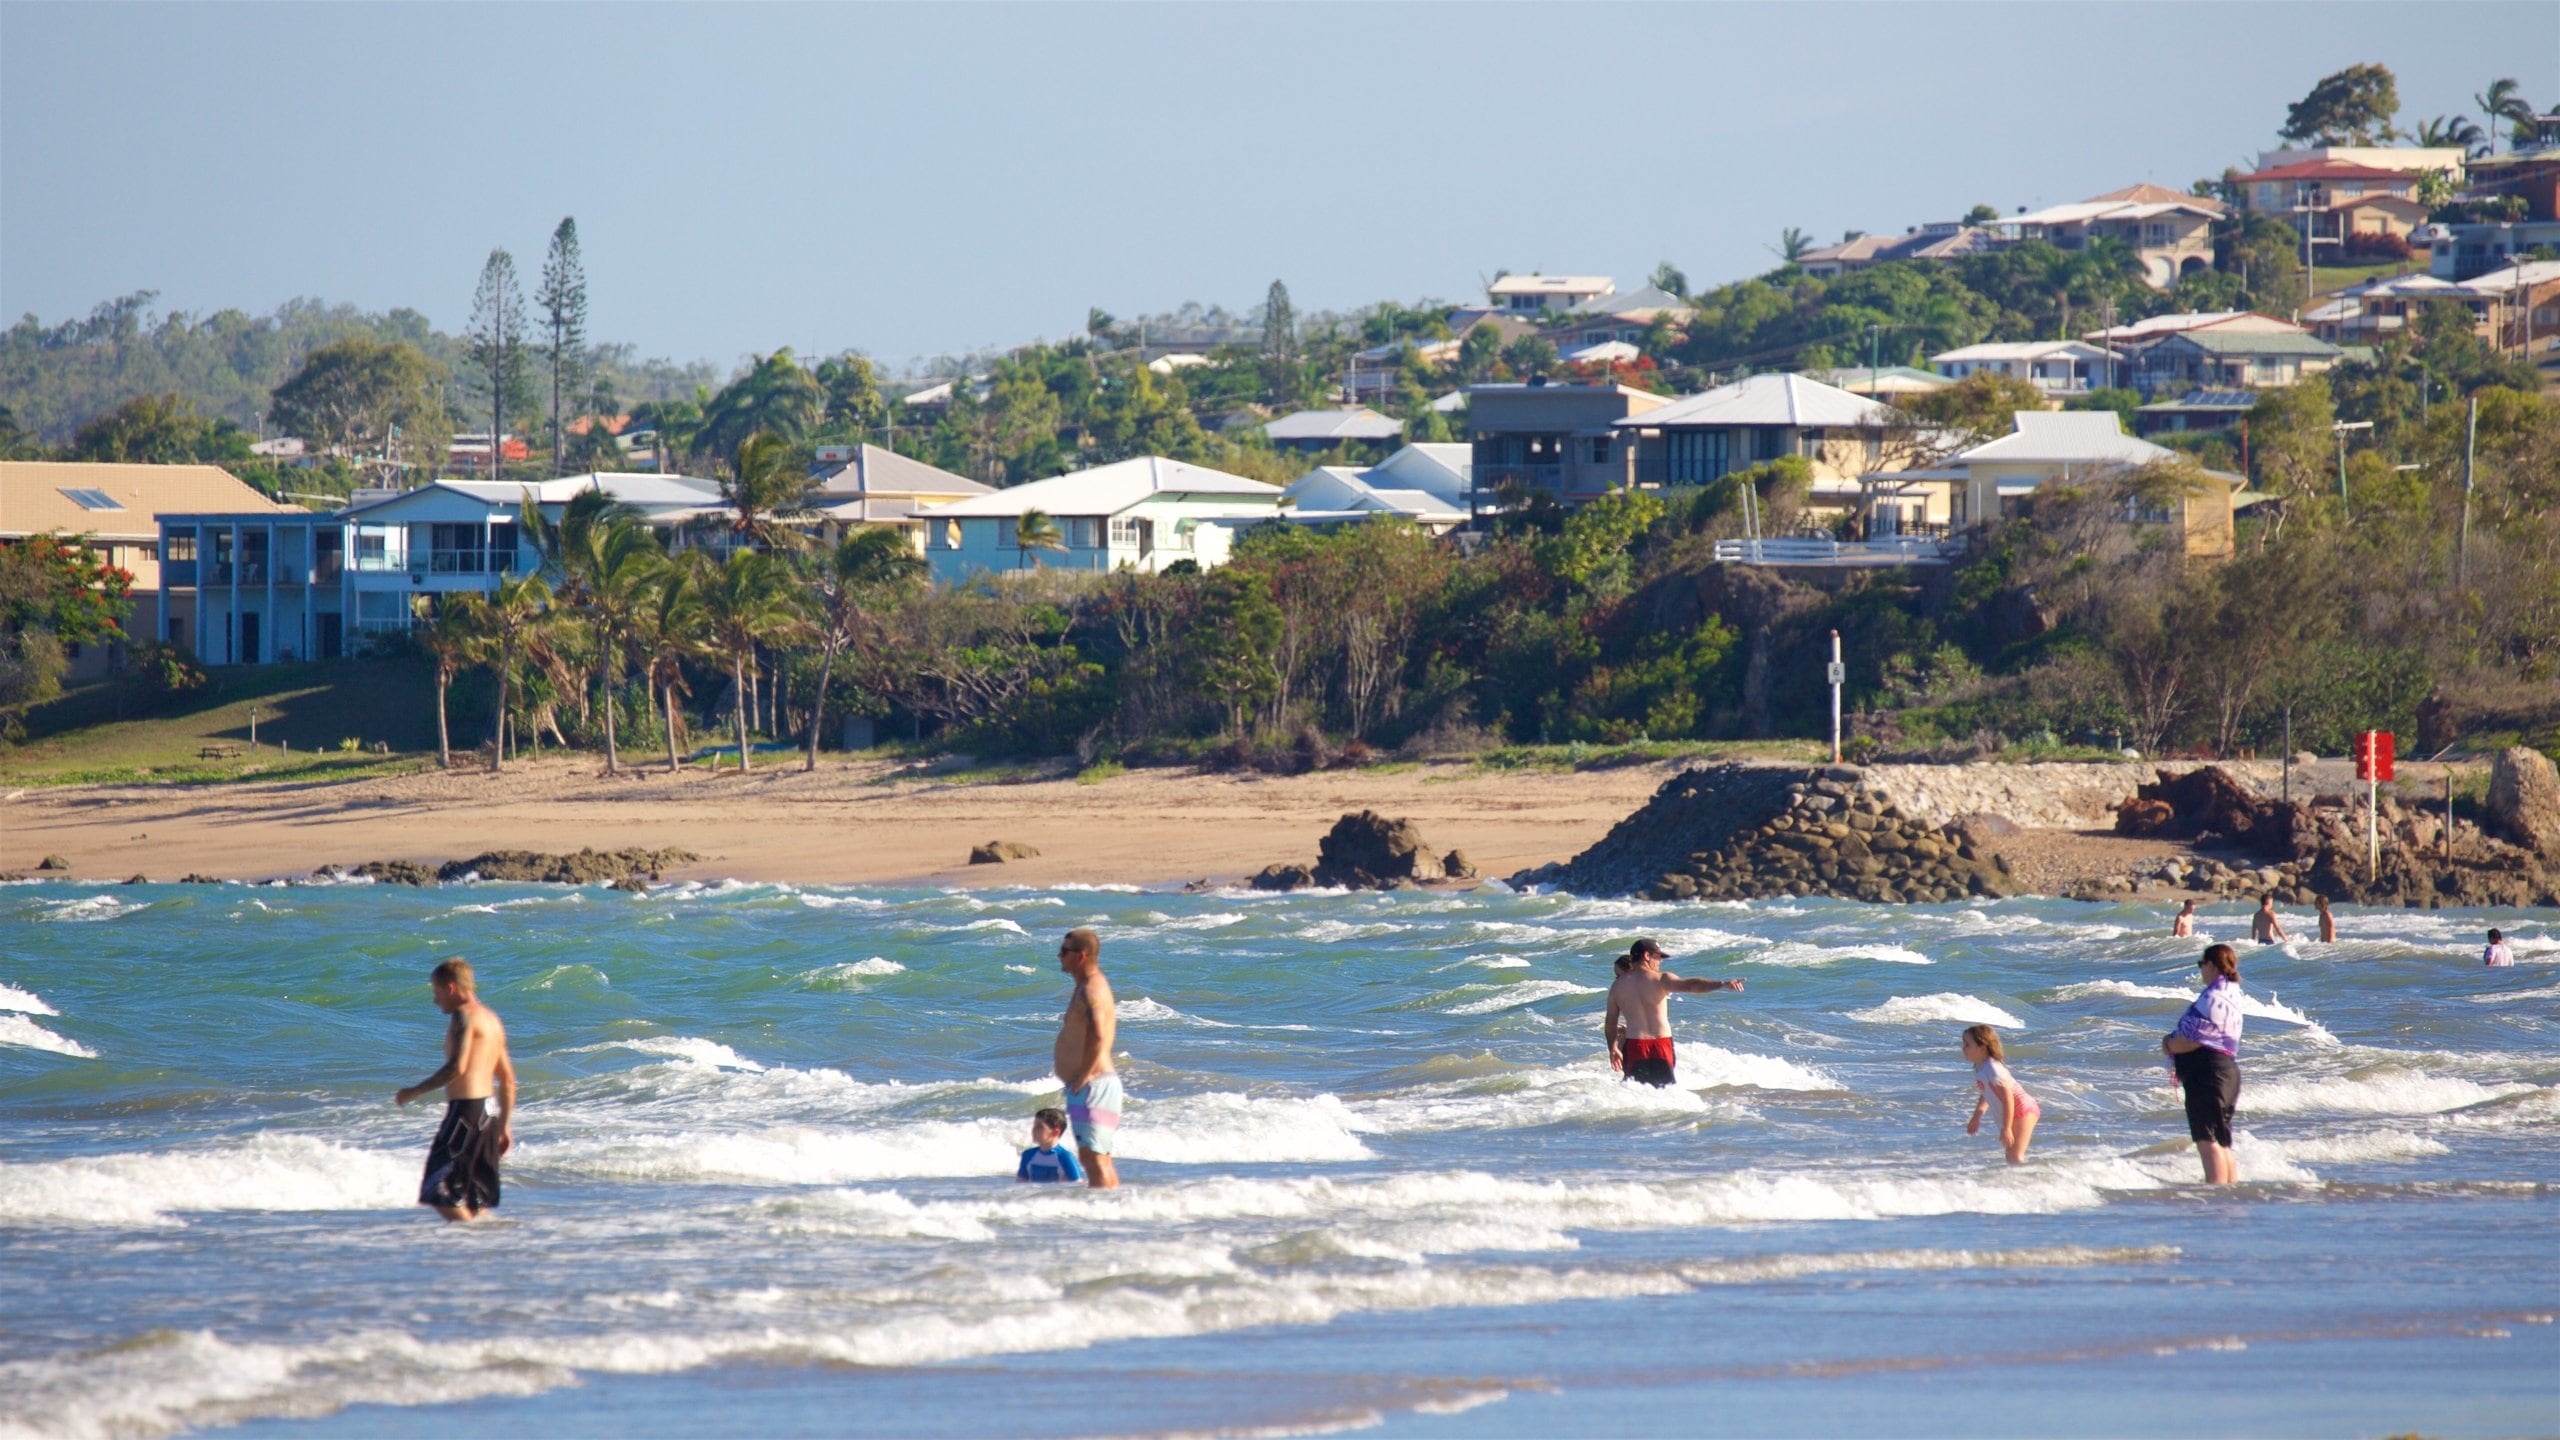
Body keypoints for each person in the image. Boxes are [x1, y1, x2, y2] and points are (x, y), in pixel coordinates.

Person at [394, 957, 515, 1221]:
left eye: (436, 992)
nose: (435, 1000)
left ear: (450, 988)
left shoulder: (464, 1016)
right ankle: (478, 1250)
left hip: (466, 1112)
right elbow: (507, 1079)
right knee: (473, 1195)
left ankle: (468, 1241)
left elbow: (456, 1068)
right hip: (488, 1113)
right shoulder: (492, 1019)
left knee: (438, 1190)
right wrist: (504, 1126)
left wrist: (413, 1092)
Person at [1602, 938, 1744, 1088]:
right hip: (1661, 1044)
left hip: (1635, 1045)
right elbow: (1690, 985)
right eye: (1658, 957)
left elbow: (1610, 1023)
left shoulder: (1617, 987)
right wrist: (1721, 984)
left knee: (1635, 1092)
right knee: (1666, 1092)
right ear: (1647, 956)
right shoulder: (1660, 979)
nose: (1660, 962)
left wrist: (1613, 1048)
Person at [2161, 944, 2245, 1185]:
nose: (2201, 970)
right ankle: (2228, 1195)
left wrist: (2168, 1044)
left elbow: (2190, 1040)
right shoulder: (2232, 995)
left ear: (2211, 965)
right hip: (2227, 1072)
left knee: (2207, 1140)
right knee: (2222, 1141)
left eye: (2201, 964)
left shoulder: (2213, 998)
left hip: (2207, 1075)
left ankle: (2216, 1200)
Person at [1052, 928, 1122, 1189]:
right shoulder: (1087, 985)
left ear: (1080, 957)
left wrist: (1083, 1075)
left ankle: (1103, 1216)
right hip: (1093, 1084)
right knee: (1096, 1157)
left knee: (1094, 1159)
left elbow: (1099, 1036)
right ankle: (1110, 1213)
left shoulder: (1091, 989)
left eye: (1064, 951)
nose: (1059, 956)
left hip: (1094, 1084)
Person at [1960, 1024, 2040, 1165]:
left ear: (1982, 1048)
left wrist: (2006, 1128)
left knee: (2015, 1156)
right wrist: (1977, 1116)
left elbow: (2008, 1099)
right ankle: (2023, 1184)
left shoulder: (1993, 1069)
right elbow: (1987, 1092)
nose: (1963, 1048)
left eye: (1967, 1044)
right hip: (2013, 1111)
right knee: (2010, 1157)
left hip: (2022, 1109)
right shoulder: (1980, 1067)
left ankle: (2041, 1181)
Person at [1016, 1106, 1084, 1184]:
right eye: (1034, 1126)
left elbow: (1077, 1186)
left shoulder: (1065, 1157)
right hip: (1034, 1196)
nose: (1034, 1130)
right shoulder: (1028, 1155)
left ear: (1056, 1132)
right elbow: (1019, 1184)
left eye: (1039, 1127)